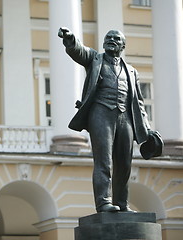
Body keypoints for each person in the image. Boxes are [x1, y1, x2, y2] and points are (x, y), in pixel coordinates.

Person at [58, 27, 152, 212]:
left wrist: (147, 128)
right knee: (104, 161)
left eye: (116, 38)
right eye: (108, 37)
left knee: (124, 163)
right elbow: (79, 51)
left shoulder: (132, 71)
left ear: (123, 45)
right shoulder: (95, 59)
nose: (111, 40)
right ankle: (104, 202)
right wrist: (70, 40)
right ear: (103, 43)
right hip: (101, 113)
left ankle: (122, 203)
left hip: (126, 118)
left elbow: (139, 102)